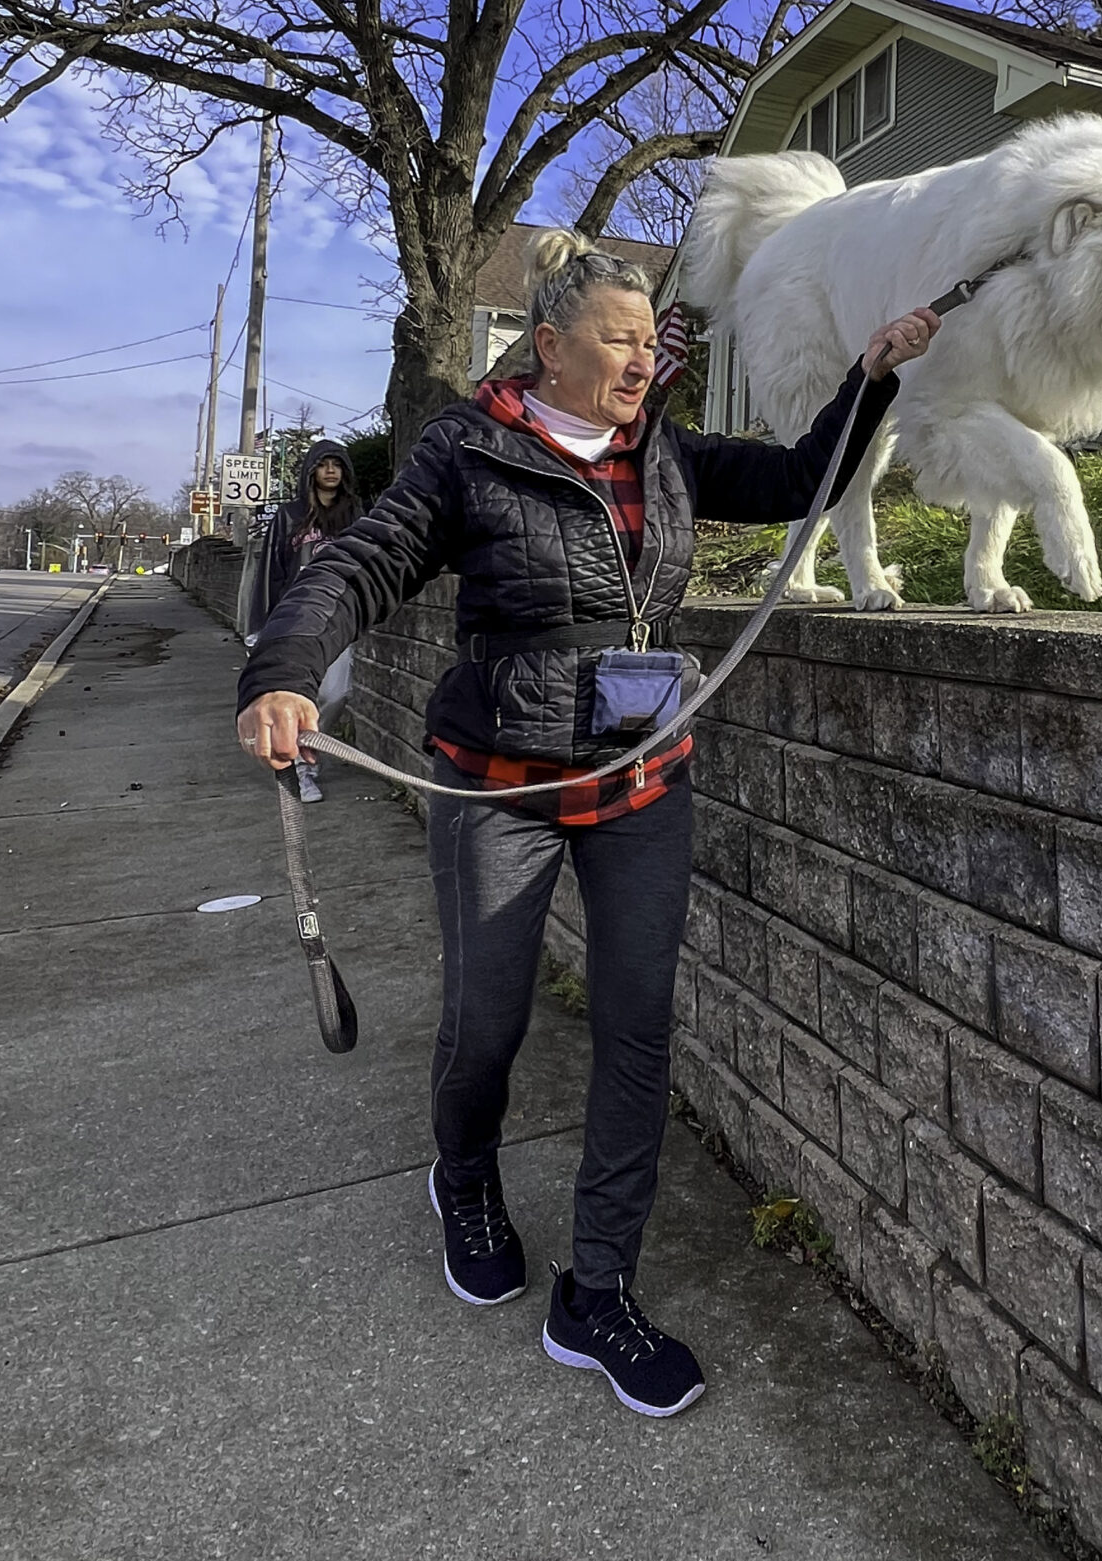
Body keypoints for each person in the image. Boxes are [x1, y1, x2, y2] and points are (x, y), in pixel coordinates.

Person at [235, 231, 939, 1419]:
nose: (641, 358)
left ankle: (597, 1291)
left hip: (642, 779)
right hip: (498, 782)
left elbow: (792, 483)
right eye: (617, 339)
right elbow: (361, 564)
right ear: (547, 347)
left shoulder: (661, 453)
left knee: (637, 1032)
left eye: (647, 338)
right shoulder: (469, 451)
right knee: (487, 1022)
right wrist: (284, 669)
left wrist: (869, 377)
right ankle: (462, 1174)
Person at [246, 439, 365, 804]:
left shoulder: (356, 514)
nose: (330, 470)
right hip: (294, 619)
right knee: (297, 696)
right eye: (323, 464)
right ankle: (301, 768)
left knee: (335, 693)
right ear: (310, 470)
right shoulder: (289, 515)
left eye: (337, 464)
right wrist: (260, 627)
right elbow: (270, 572)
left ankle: (306, 752)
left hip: (340, 616)